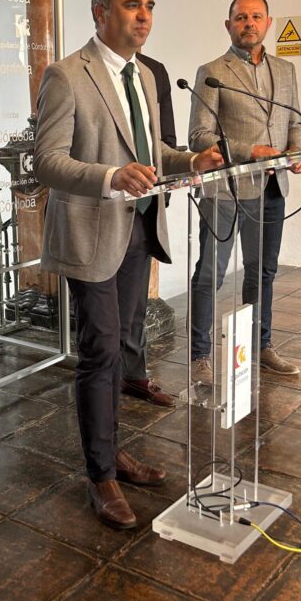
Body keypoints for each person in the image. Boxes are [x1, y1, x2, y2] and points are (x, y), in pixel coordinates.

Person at [33, 0, 223, 529]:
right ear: (101, 12)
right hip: (91, 233)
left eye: (149, 6)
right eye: (132, 5)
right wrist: (111, 177)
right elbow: (47, 162)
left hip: (140, 229)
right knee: (101, 353)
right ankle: (100, 477)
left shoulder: (144, 75)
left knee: (121, 349)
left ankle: (112, 452)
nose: (144, 17)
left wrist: (190, 160)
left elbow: (152, 148)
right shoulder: (67, 74)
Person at [187, 0, 301, 381]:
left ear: (268, 23)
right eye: (241, 17)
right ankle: (200, 355)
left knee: (263, 271)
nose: (249, 23)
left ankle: (261, 345)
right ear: (229, 25)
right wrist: (249, 151)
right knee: (211, 273)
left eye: (256, 16)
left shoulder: (286, 71)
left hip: (272, 190)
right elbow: (198, 136)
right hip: (226, 190)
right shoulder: (212, 71)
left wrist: (297, 152)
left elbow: (294, 124)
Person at [117, 52, 178, 408]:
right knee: (106, 320)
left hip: (144, 206)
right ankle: (105, 382)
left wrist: (190, 162)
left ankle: (134, 375)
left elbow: (163, 139)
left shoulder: (153, 71)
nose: (142, 23)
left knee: (137, 305)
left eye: (146, 23)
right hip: (102, 211)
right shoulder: (76, 71)